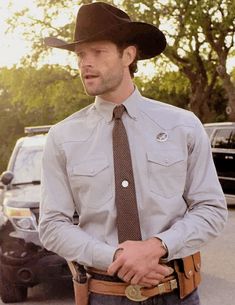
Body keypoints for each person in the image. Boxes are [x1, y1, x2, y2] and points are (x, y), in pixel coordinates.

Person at [39, 2, 227, 305]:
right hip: (103, 296)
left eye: (97, 52)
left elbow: (211, 209)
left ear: (128, 55)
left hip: (177, 293)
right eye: (80, 55)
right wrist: (118, 256)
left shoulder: (183, 126)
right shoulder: (62, 138)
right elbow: (51, 226)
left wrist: (156, 246)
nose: (85, 63)